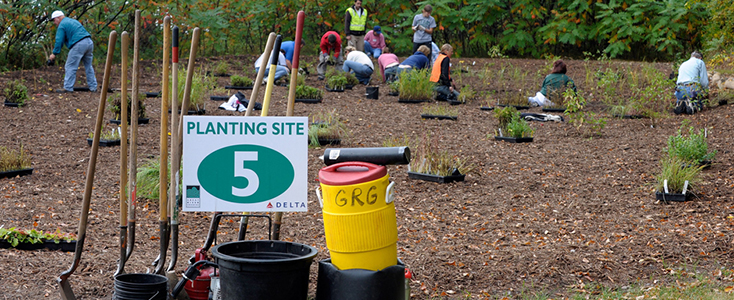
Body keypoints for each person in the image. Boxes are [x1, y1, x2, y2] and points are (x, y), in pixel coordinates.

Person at [48, 10, 97, 93]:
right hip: (89, 42)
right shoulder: (73, 21)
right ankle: (93, 87)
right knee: (88, 66)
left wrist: (54, 53)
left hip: (79, 44)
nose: (54, 23)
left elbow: (59, 40)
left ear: (58, 18)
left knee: (70, 66)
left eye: (54, 20)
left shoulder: (62, 25)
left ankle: (67, 87)